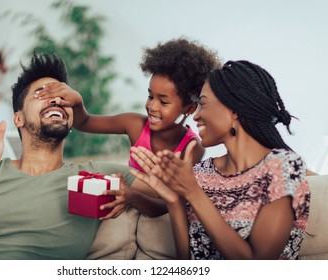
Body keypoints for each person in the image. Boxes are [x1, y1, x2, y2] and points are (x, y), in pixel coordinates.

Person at [0, 53, 161, 260]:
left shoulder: (96, 177)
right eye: (42, 94)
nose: (56, 101)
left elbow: (172, 193)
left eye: (62, 96)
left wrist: (132, 196)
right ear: (18, 118)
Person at [130, 60, 311, 260]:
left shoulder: (283, 167)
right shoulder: (200, 174)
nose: (196, 116)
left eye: (203, 104)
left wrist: (193, 193)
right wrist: (174, 201)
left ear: (234, 110)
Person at [33, 37, 221, 167]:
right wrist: (77, 101)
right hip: (126, 205)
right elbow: (84, 122)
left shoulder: (192, 148)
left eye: (163, 102)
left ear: (189, 108)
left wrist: (133, 196)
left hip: (161, 213)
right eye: (150, 96)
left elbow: (171, 202)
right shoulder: (135, 125)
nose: (152, 106)